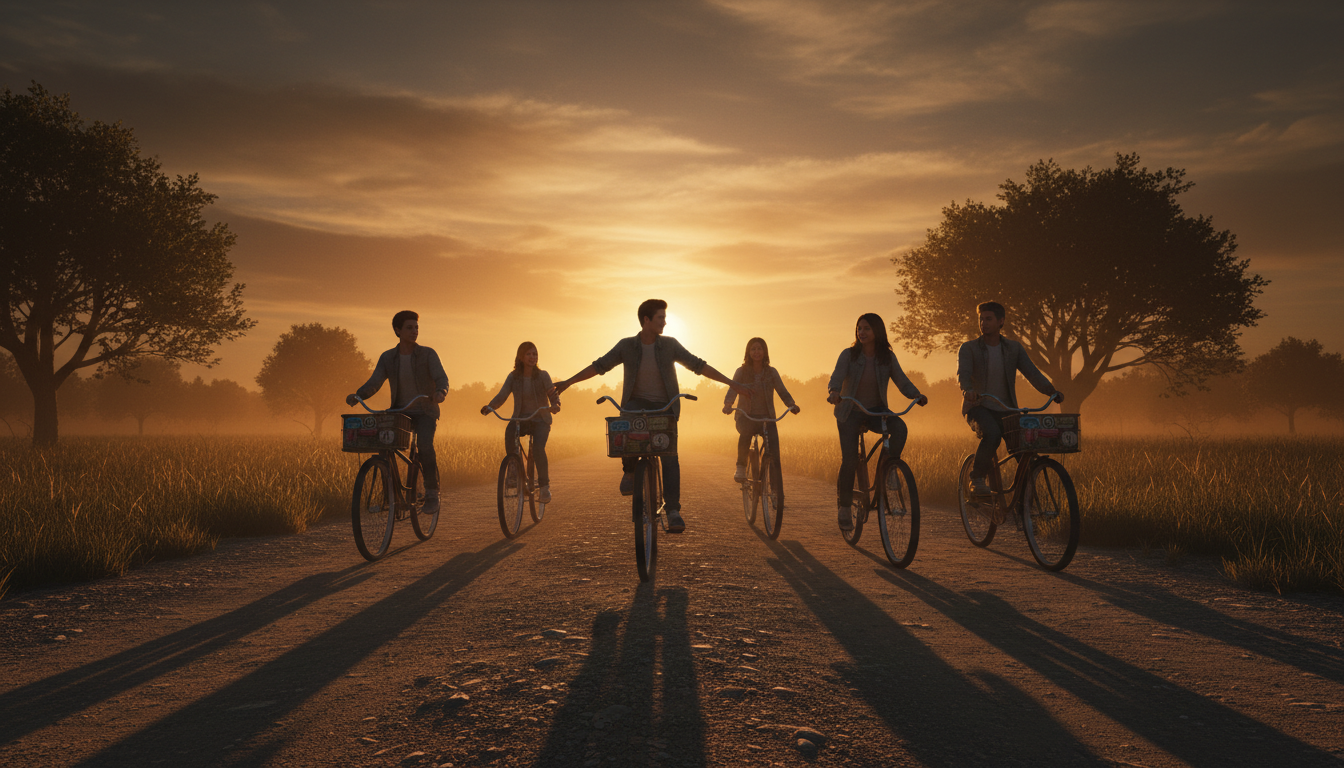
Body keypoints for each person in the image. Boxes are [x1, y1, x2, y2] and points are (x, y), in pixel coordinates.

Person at [551, 299, 751, 533]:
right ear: (646, 320)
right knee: (626, 426)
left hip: (665, 405)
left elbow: (698, 365)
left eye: (665, 318)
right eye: (660, 318)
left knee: (669, 456)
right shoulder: (626, 346)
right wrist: (569, 382)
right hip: (636, 404)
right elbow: (599, 366)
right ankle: (629, 470)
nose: (665, 322)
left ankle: (673, 510)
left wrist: (732, 383)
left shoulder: (670, 345)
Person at [826, 313, 927, 531]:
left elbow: (901, 380)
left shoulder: (887, 357)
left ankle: (888, 470)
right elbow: (836, 377)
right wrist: (834, 392)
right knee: (850, 460)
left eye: (867, 329)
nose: (861, 332)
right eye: (859, 328)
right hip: (850, 411)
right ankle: (844, 507)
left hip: (877, 411)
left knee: (899, 428)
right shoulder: (848, 355)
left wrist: (916, 395)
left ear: (877, 331)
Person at [347, 310, 449, 515]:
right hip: (399, 411)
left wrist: (440, 392)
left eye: (416, 327)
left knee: (424, 445)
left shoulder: (428, 354)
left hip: (425, 410)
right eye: (409, 328)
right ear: (397, 330)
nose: (414, 331)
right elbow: (375, 382)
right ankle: (391, 496)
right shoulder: (388, 357)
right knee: (384, 445)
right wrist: (359, 395)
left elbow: (441, 378)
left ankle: (431, 492)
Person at [958, 301, 1062, 495]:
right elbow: (963, 374)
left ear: (1001, 321)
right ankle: (977, 478)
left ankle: (1024, 501)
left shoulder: (1013, 348)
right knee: (992, 434)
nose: (983, 323)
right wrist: (968, 390)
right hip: (978, 407)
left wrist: (1051, 391)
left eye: (988, 319)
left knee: (1024, 448)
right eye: (981, 319)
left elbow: (1032, 373)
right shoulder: (969, 348)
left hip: (1007, 409)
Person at [481, 341, 561, 503]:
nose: (533, 357)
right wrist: (490, 407)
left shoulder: (543, 375)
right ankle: (513, 474)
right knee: (510, 433)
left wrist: (555, 405)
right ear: (521, 357)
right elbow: (502, 395)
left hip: (540, 419)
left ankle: (544, 487)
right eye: (529, 354)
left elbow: (552, 393)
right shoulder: (514, 377)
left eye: (535, 354)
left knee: (538, 448)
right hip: (520, 418)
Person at [721, 337, 800, 483]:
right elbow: (733, 389)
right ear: (748, 352)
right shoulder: (741, 372)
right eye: (753, 349)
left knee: (774, 450)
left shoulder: (771, 372)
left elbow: (782, 391)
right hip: (746, 416)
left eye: (759, 349)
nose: (756, 352)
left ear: (765, 352)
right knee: (745, 434)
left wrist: (791, 404)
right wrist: (728, 404)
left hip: (767, 417)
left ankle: (776, 488)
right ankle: (741, 466)